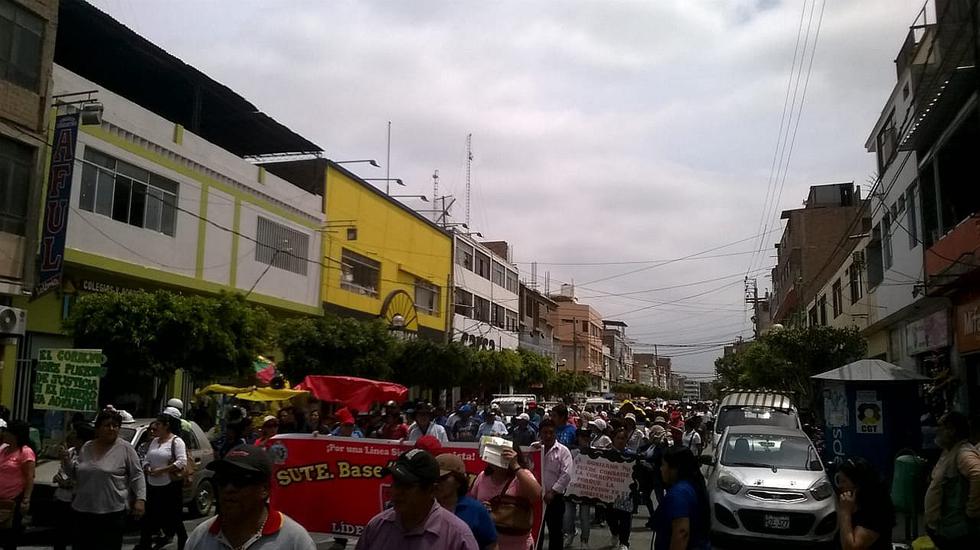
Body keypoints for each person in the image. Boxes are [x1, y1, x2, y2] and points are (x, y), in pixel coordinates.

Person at [186, 445, 315, 549]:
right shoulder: (200, 537)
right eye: (222, 480)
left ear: (265, 489)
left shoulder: (295, 540)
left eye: (239, 480)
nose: (229, 489)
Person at [356, 449, 478, 549]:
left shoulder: (457, 537)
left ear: (431, 490)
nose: (396, 492)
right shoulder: (376, 527)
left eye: (407, 486)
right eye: (396, 484)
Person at [68, 408, 146, 550]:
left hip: (112, 513)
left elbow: (137, 475)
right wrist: (66, 463)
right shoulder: (87, 447)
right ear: (98, 428)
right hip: (83, 510)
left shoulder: (125, 448)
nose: (111, 429)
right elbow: (77, 474)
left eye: (115, 426)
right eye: (107, 425)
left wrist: (140, 500)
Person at [469, 440, 541, 550]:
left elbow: (536, 495)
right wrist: (481, 508)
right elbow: (472, 503)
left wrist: (515, 466)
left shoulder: (522, 475)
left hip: (518, 545)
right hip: (488, 543)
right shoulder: (483, 476)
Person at [924, 411, 980, 548]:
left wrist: (972, 511)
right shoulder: (949, 451)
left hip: (957, 530)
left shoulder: (963, 452)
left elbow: (978, 474)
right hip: (945, 527)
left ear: (951, 430)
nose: (937, 430)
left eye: (940, 426)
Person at [138, 408, 189, 550]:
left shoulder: (176, 441)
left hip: (170, 486)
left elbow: (182, 462)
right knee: (148, 517)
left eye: (158, 424)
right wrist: (147, 467)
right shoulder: (154, 441)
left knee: (174, 518)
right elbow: (147, 458)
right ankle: (145, 545)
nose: (155, 427)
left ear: (166, 426)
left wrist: (162, 470)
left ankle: (183, 543)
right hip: (152, 485)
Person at [435, 453, 499, 550]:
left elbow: (492, 545)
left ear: (458, 482)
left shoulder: (476, 510)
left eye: (443, 479)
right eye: (434, 479)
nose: (437, 483)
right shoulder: (426, 507)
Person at [653, 446, 711, 550]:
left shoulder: (678, 494)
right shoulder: (692, 486)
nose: (661, 469)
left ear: (674, 468)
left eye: (663, 464)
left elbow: (681, 533)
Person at [836, 457, 895, 550]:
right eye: (839, 481)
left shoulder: (876, 509)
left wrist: (845, 513)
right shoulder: (853, 503)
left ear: (858, 485)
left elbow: (851, 547)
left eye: (844, 481)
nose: (840, 486)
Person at [535, 419, 572, 550]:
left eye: (551, 432)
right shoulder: (534, 448)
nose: (548, 436)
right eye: (545, 432)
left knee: (555, 532)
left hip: (554, 498)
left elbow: (566, 474)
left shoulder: (563, 451)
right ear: (540, 433)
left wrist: (553, 491)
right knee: (536, 532)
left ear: (555, 433)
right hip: (536, 497)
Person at [0, 419, 35, 550]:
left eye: (7, 432)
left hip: (14, 499)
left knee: (9, 536)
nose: (4, 434)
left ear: (15, 435)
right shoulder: (3, 449)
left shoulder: (25, 452)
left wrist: (26, 499)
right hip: (0, 499)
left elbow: (29, 477)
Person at [603, 428, 635, 550]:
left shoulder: (631, 455)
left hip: (625, 493)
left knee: (625, 517)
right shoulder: (606, 454)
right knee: (610, 517)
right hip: (609, 491)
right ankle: (615, 533)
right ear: (613, 439)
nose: (620, 441)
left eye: (623, 438)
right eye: (618, 438)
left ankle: (624, 542)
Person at [563, 429, 593, 548]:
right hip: (571, 487)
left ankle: (584, 540)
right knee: (567, 516)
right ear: (578, 438)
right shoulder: (571, 451)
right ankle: (570, 533)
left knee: (584, 517)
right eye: (582, 436)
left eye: (587, 436)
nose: (585, 439)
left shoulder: (595, 452)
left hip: (586, 489)